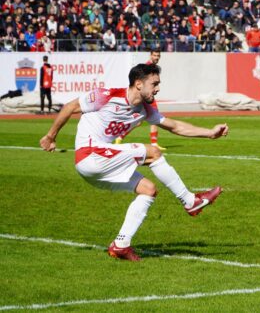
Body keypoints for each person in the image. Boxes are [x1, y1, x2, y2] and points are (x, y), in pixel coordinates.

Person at [39, 63, 228, 261]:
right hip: (90, 154)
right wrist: (50, 136)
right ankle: (190, 201)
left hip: (99, 165)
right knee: (153, 152)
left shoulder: (146, 108)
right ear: (138, 84)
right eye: (154, 84)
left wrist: (209, 133)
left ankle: (121, 244)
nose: (158, 88)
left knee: (148, 190)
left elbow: (175, 126)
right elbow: (70, 107)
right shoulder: (107, 95)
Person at [115, 51, 166, 150]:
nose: (156, 57)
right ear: (150, 55)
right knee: (153, 117)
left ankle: (120, 137)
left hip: (148, 97)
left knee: (139, 121)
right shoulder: (147, 68)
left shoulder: (152, 67)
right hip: (145, 98)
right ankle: (154, 144)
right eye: (155, 55)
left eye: (158, 56)